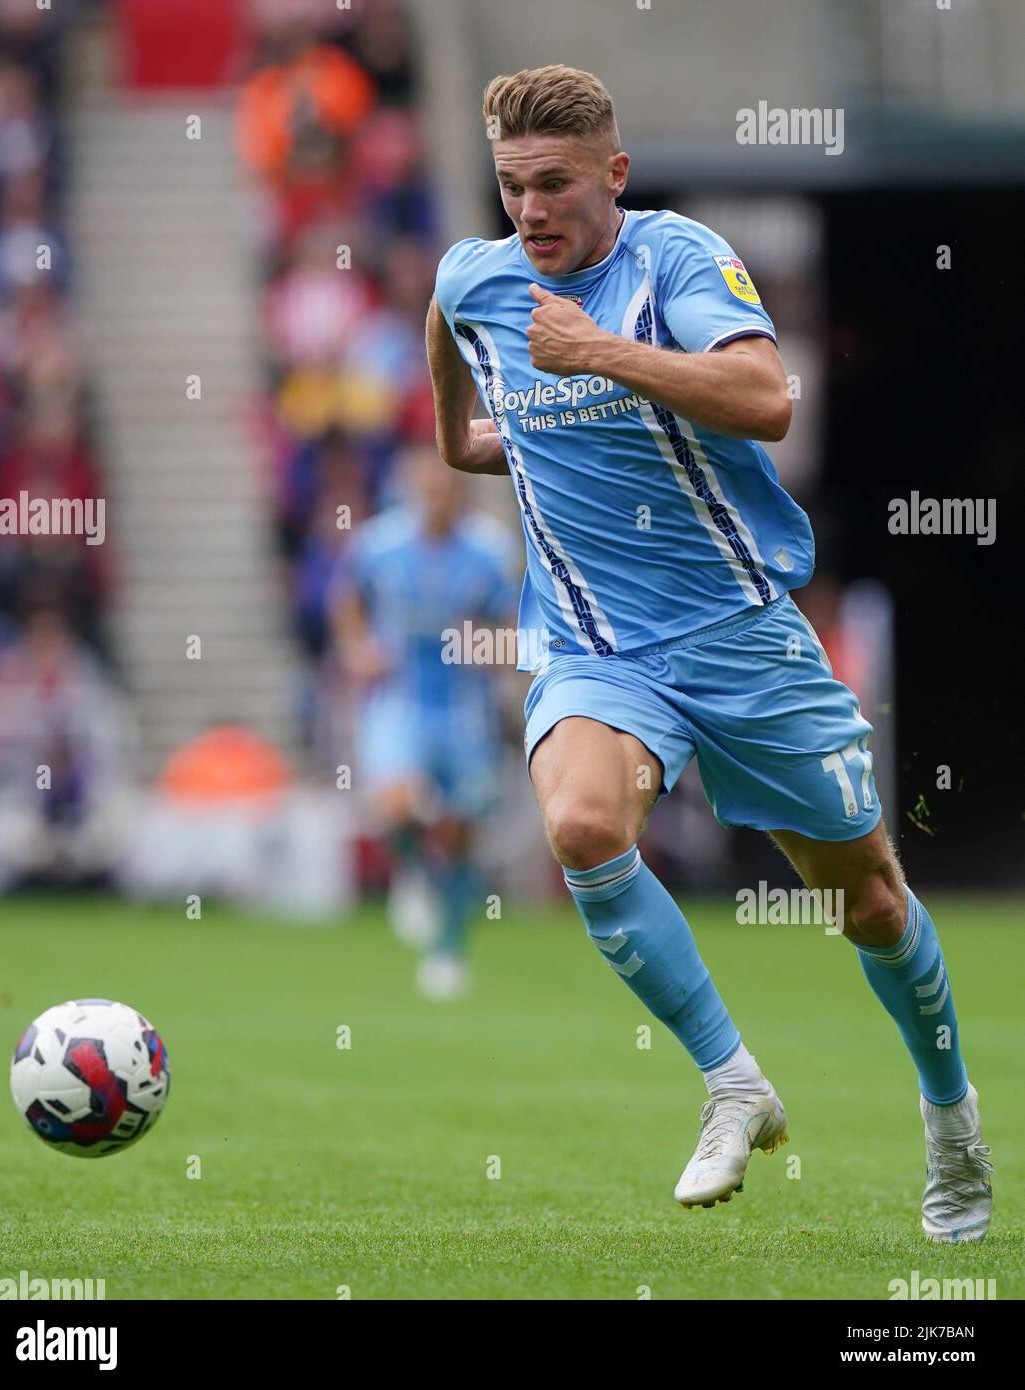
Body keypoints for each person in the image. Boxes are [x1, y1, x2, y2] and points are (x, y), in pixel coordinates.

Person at [425, 64, 992, 1240]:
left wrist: (601, 355)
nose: (531, 210)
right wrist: (469, 440)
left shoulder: (673, 258)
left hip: (743, 640)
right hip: (597, 652)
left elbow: (765, 395)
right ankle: (733, 1083)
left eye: (557, 185)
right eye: (513, 186)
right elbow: (449, 327)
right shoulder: (477, 277)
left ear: (614, 176)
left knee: (872, 902)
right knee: (583, 826)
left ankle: (951, 1124)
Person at [331, 447, 519, 999]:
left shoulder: (488, 551)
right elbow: (348, 599)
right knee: (396, 803)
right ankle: (413, 872)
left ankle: (448, 950)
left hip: (464, 708)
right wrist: (357, 648)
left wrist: (489, 650)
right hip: (400, 701)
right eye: (426, 489)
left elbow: (511, 627)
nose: (435, 499)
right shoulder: (379, 544)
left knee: (461, 831)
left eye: (446, 489)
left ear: (462, 494)